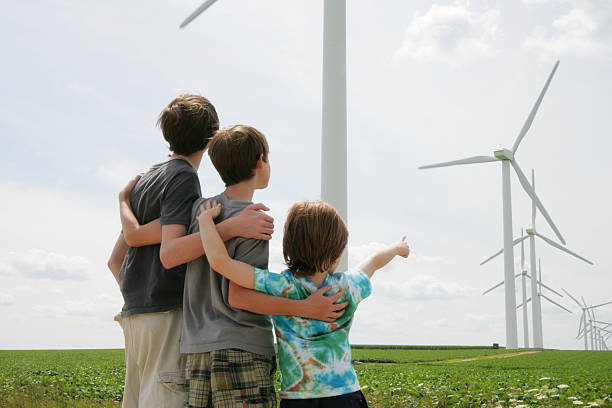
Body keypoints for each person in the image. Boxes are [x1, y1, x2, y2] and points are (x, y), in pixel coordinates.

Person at [116, 124, 348, 407]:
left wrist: (124, 201)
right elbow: (238, 295)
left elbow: (144, 237)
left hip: (197, 351)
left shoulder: (198, 210)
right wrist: (304, 308)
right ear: (260, 161)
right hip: (242, 346)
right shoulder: (254, 221)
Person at [106, 95, 277, 408]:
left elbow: (118, 256)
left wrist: (122, 201)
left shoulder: (147, 180)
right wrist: (228, 228)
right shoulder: (184, 178)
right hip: (166, 314)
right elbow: (170, 253)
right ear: (211, 138)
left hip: (134, 315)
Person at [196, 199, 410, 408]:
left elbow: (220, 262)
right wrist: (398, 247)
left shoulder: (281, 286)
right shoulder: (347, 287)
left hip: (298, 397)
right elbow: (373, 261)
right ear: (337, 251)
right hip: (345, 394)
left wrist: (205, 221)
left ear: (289, 245)